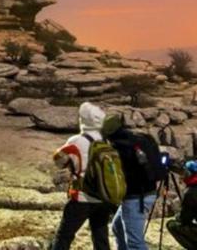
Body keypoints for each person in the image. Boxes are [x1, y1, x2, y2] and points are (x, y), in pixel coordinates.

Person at [50, 102, 114, 250]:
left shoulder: (76, 141)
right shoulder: (106, 141)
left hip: (82, 197)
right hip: (103, 196)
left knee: (64, 235)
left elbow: (60, 162)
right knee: (100, 237)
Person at [102, 113, 160, 250]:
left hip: (135, 198)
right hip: (149, 191)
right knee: (118, 227)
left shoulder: (118, 148)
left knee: (135, 243)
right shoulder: (141, 138)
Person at [168, 160, 197, 249]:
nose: (182, 174)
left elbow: (185, 220)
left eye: (184, 171)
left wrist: (178, 216)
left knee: (172, 225)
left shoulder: (191, 193)